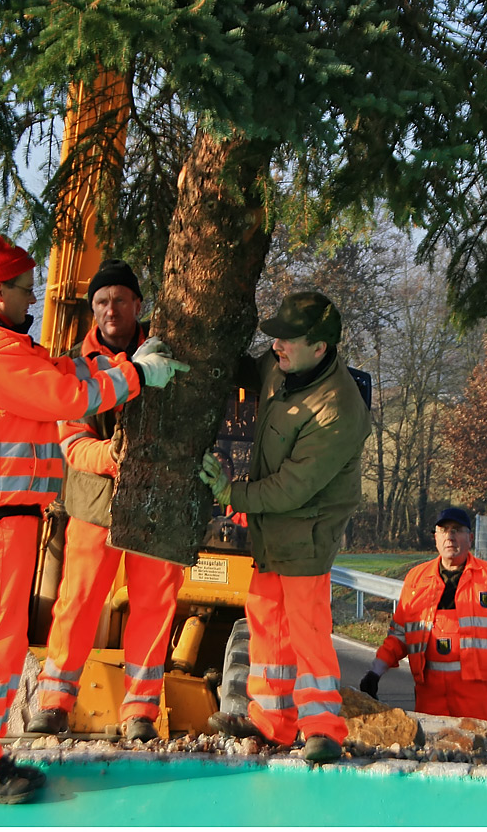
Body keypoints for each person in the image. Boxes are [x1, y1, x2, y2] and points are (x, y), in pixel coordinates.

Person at [0, 235, 189, 804]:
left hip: (8, 514)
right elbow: (68, 401)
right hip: (6, 516)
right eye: (26, 290)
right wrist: (137, 378)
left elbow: (55, 386)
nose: (33, 300)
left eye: (120, 299)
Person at [199, 291, 371, 764]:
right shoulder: (283, 366)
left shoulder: (338, 408)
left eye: (287, 339)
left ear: (320, 348)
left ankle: (323, 729)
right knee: (266, 621)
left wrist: (231, 494)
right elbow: (249, 371)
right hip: (272, 531)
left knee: (307, 631)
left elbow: (291, 489)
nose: (276, 345)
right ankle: (272, 720)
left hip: (306, 531)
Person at [27, 259, 186, 743]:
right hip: (95, 505)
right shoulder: (75, 367)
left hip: (159, 504)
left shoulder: (167, 354)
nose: (110, 309)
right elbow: (73, 445)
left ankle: (139, 712)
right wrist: (114, 457)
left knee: (155, 605)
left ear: (138, 305)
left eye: (119, 300)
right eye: (101, 302)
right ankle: (54, 703)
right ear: (92, 310)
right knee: (77, 602)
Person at [358, 507, 487, 724]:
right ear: (435, 538)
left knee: (478, 755)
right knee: (432, 754)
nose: (450, 536)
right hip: (430, 700)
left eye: (457, 530)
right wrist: (375, 672)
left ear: (470, 538)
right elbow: (400, 635)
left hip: (477, 701)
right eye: (444, 530)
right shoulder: (416, 579)